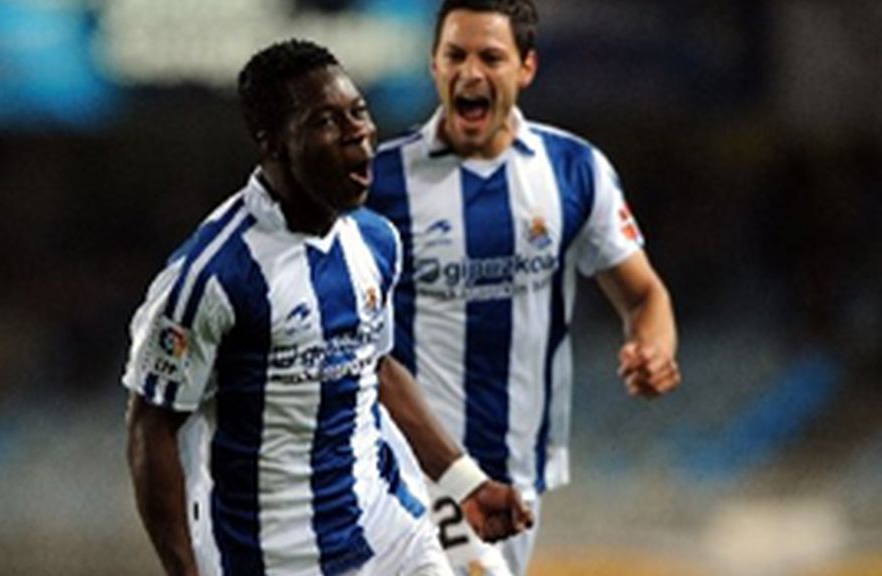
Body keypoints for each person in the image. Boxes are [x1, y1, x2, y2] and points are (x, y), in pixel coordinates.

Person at [122, 39, 533, 576]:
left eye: (358, 112)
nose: (358, 131)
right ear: (272, 143)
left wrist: (464, 484)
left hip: (390, 536)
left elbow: (379, 370)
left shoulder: (376, 243)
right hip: (272, 559)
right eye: (326, 121)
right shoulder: (212, 277)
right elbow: (149, 428)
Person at [366, 1, 682, 574]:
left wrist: (655, 349)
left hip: (520, 469)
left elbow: (644, 296)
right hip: (415, 468)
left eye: (491, 56)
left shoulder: (573, 171)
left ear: (526, 68)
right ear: (433, 65)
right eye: (455, 55)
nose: (470, 72)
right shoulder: (379, 183)